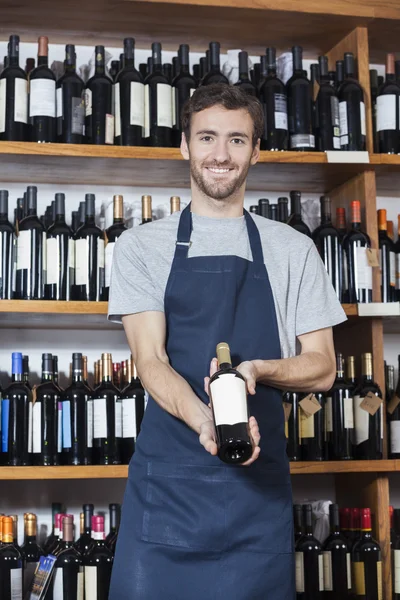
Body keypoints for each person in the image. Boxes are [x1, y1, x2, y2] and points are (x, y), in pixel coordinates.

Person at [107, 83, 346, 599]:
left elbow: (323, 367)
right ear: (185, 146)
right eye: (207, 138)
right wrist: (206, 420)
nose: (220, 154)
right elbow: (151, 361)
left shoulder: (293, 249)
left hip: (257, 497)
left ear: (256, 151)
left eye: (237, 140)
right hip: (169, 487)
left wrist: (258, 370)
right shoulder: (140, 246)